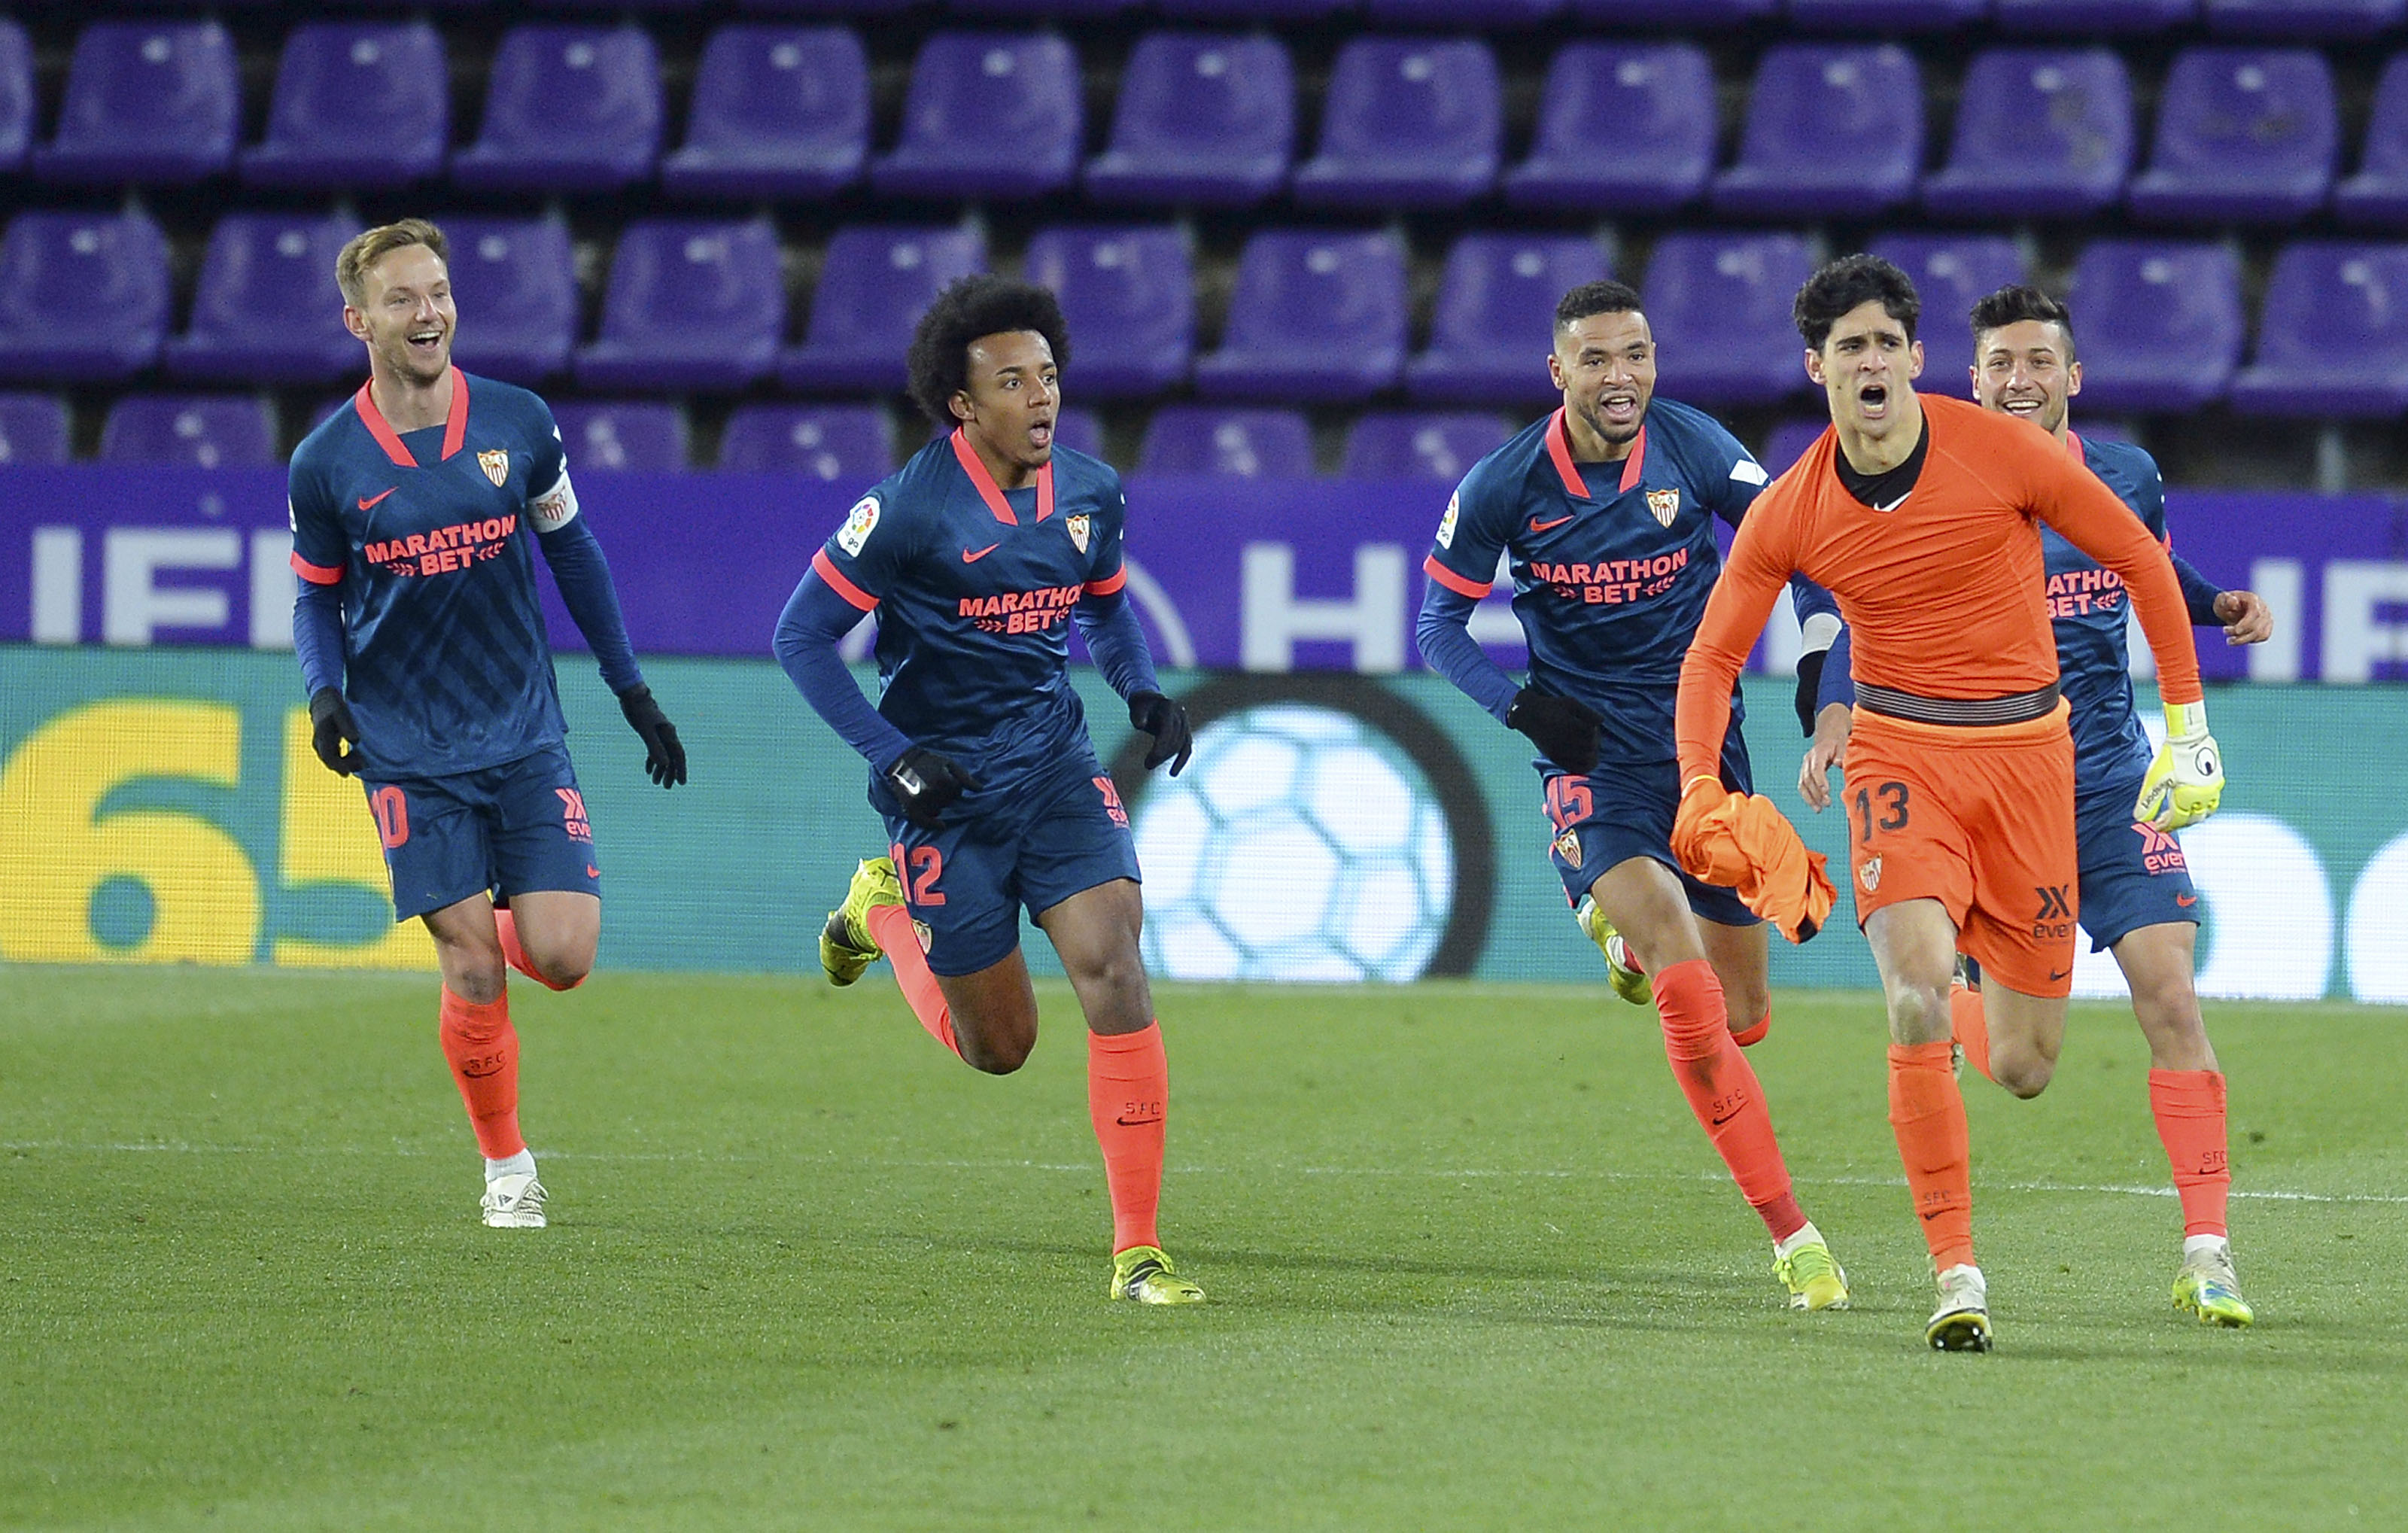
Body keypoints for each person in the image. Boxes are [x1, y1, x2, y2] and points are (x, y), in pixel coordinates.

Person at [1671, 255, 2225, 1352]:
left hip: (2033, 761)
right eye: (1849, 348)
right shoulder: (1792, 508)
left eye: (1885, 344)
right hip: (1899, 756)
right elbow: (1711, 657)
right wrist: (1698, 787)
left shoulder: (2002, 450)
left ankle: (1980, 976)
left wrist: (2189, 724)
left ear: (1917, 361)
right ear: (1816, 367)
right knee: (1915, 996)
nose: (1869, 362)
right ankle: (1956, 1274)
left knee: (2023, 1065)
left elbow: (2141, 564)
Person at [1797, 284, 2270, 1328]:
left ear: (2073, 377)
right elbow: (1860, 619)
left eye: (2039, 362)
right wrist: (1833, 718)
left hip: (2105, 777)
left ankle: (2208, 1250)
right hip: (1980, 773)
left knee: (2172, 994)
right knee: (2018, 1066)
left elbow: (2138, 557)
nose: (2019, 380)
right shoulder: (1945, 480)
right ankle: (1962, 1011)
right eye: (2000, 364)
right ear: (1968, 378)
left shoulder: (2125, 476)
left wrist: (2212, 602)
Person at [1415, 278, 1851, 1313]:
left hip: (1705, 748)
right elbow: (1437, 628)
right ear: (1557, 371)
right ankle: (1796, 1238)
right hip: (1589, 756)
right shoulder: (1502, 484)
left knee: (1744, 1015)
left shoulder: (1696, 446)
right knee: (1685, 984)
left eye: (1639, 355)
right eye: (1600, 360)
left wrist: (1819, 662)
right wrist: (1523, 711)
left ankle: (1612, 930)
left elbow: (1813, 557)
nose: (1624, 378)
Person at [773, 276, 1203, 1305]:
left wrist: (1142, 688)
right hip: (945, 790)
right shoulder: (911, 507)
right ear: (965, 404)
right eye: (1012, 381)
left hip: (1052, 764)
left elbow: (1104, 609)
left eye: (1048, 376)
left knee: (1115, 965)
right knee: (999, 1047)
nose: (1040, 397)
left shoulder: (1091, 492)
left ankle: (1136, 1250)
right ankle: (883, 915)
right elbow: (801, 639)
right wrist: (891, 754)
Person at [289, 219, 687, 1230]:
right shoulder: (327, 463)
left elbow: (575, 551)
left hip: (520, 731)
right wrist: (324, 691)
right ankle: (507, 1167)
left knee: (561, 955)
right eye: (402, 299)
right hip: (407, 746)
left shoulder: (519, 422)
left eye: (438, 292)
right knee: (471, 963)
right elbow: (313, 599)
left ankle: (484, 896)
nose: (428, 313)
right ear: (358, 320)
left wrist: (630, 687)